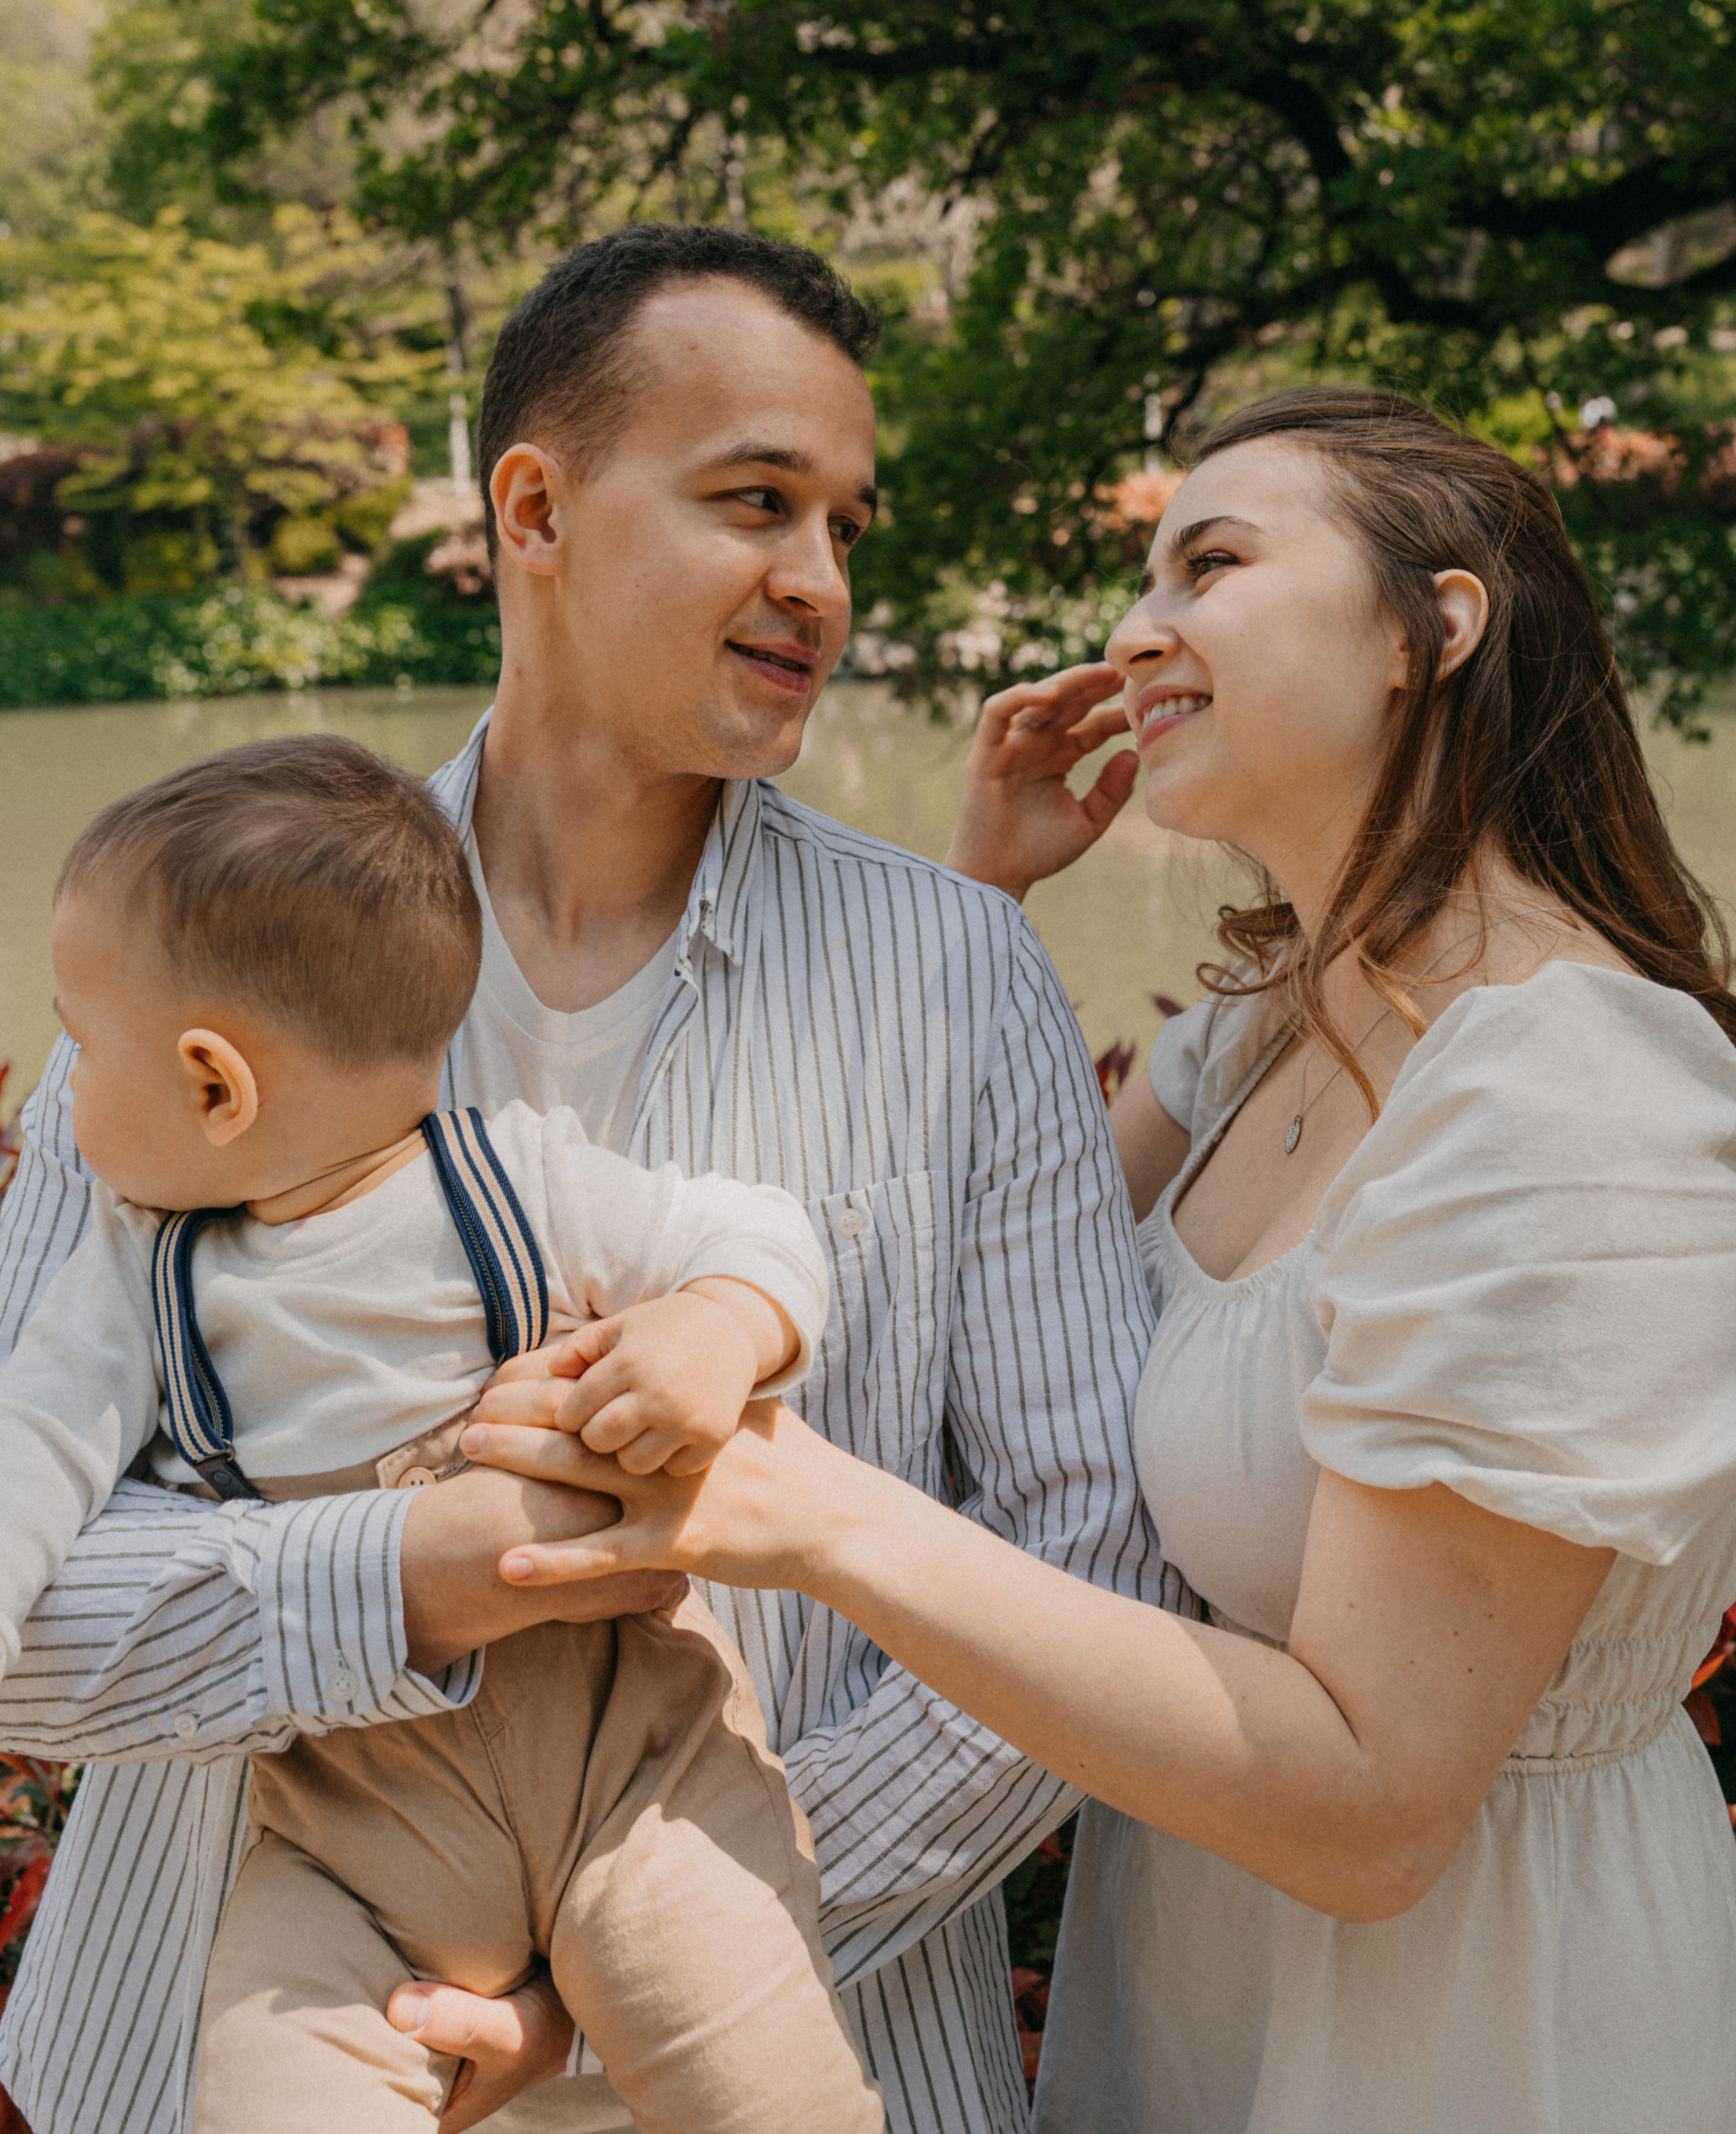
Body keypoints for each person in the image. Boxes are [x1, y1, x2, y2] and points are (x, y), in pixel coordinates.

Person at [459, 387, 1736, 2134]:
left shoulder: (1573, 1098)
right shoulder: (1266, 1035)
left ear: (1428, 632)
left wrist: (820, 1520)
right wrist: (978, 899)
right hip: (1197, 1962)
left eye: (1207, 565)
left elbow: (1372, 1806)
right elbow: (923, 1273)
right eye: (1141, 581)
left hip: (1468, 2019)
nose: (1133, 631)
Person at [0, 226, 1168, 2134]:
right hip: (223, 2041)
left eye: (846, 526)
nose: (820, 583)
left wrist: (665, 1956)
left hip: (812, 2043)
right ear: (533, 507)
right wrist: (407, 1579)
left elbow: (1088, 1564)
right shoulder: (189, 939)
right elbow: (24, 1605)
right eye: (755, 502)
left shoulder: (961, 979)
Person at [0, 733, 881, 2134]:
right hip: (354, 1831)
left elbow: (746, 1229)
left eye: (81, 1043)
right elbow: (31, 1444)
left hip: (630, 1757)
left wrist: (716, 1327)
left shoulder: (511, 1182)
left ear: (215, 1085)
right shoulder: (141, 1273)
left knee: (764, 2083)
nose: (65, 1084)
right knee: (272, 2077)